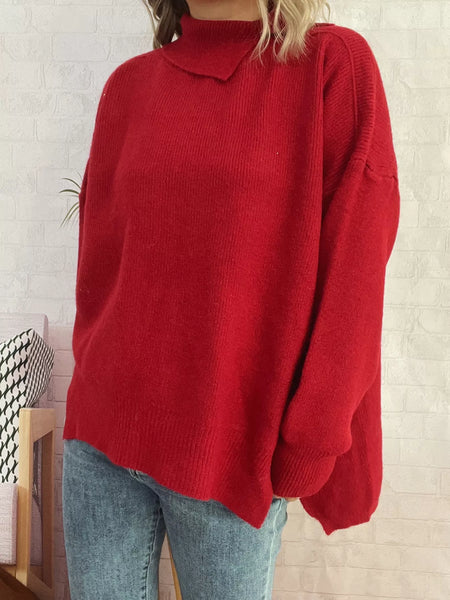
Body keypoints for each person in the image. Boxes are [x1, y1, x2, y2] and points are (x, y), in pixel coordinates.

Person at [62, 0, 400, 598]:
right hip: (101, 434)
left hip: (231, 454)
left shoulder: (330, 65)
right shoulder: (129, 87)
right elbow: (100, 265)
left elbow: (355, 275)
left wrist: (310, 442)